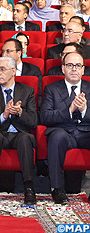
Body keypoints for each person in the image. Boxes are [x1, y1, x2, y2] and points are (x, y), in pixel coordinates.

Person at [0, 56, 38, 205]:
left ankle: (29, 188)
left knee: (25, 138)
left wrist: (19, 112)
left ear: (13, 71)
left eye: (2, 69)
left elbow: (33, 122)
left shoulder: (27, 91)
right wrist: (4, 115)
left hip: (20, 134)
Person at [40, 51, 90, 204]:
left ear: (83, 70)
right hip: (64, 133)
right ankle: (57, 189)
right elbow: (45, 117)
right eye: (70, 65)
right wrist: (70, 110)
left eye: (77, 66)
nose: (74, 69)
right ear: (63, 69)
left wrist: (83, 110)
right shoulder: (51, 89)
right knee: (56, 137)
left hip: (86, 133)